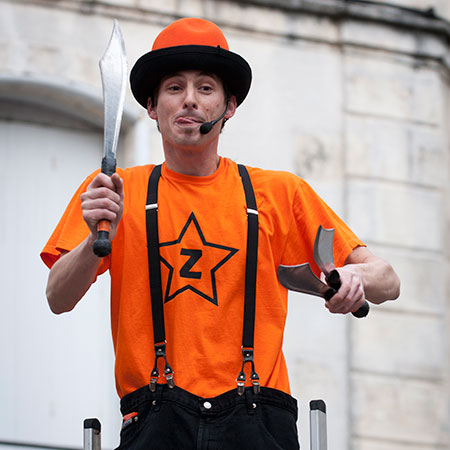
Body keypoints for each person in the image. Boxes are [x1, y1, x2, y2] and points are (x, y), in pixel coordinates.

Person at [41, 17, 400, 450]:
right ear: (153, 108)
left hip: (259, 419)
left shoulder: (279, 193)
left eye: (205, 88)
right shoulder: (112, 192)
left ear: (228, 107)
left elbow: (389, 281)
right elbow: (58, 298)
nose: (189, 101)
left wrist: (356, 278)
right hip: (153, 421)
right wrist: (93, 240)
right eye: (174, 88)